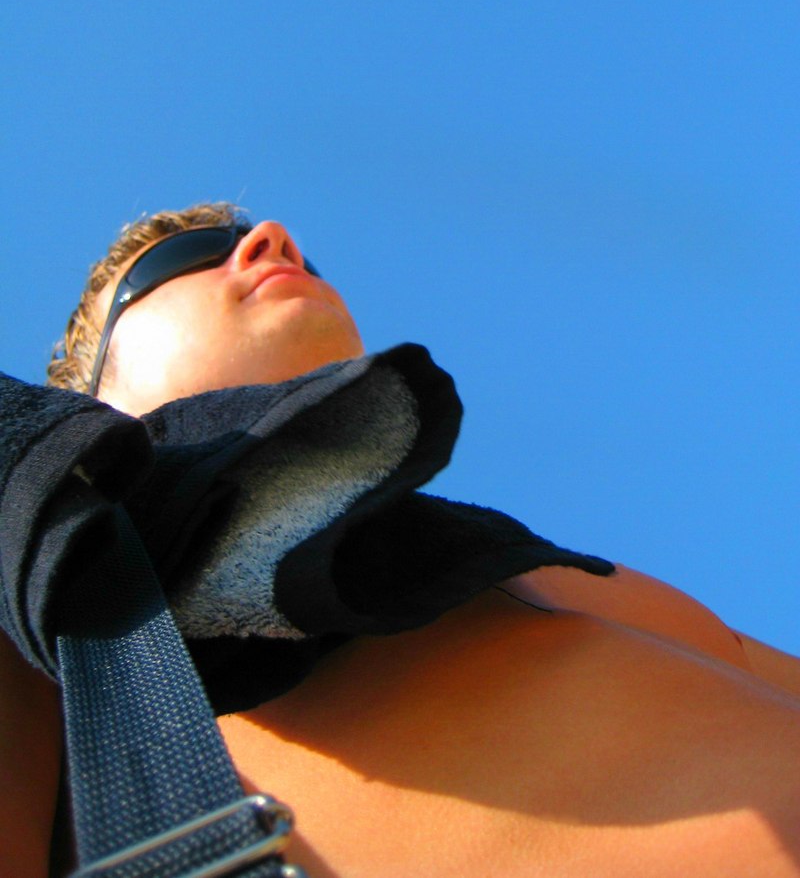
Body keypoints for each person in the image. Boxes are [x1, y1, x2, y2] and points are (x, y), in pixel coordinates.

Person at [4, 201, 800, 877]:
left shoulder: (571, 573)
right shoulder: (46, 580)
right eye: (184, 259)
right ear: (92, 391)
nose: (274, 239)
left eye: (304, 255)